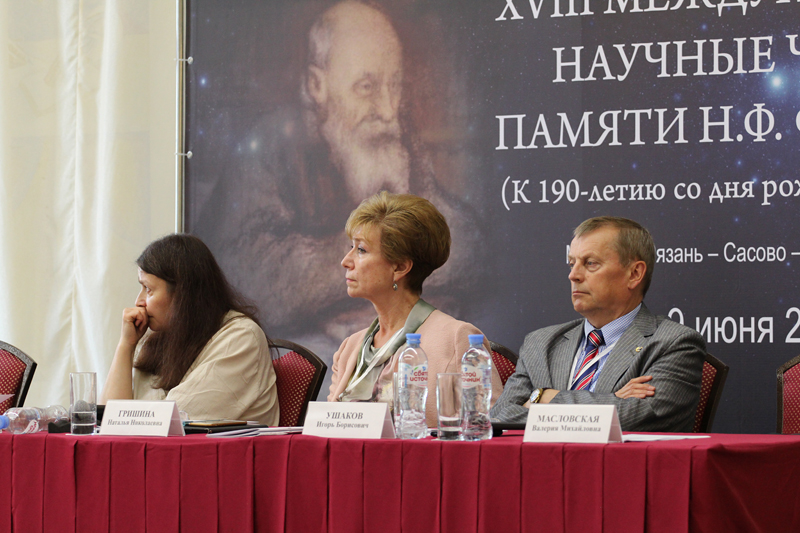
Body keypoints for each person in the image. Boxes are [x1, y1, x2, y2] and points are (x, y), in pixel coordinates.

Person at [192, 0, 485, 386]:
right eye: (367, 87)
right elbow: (254, 276)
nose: (387, 109)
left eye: (395, 86)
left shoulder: (395, 137)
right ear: (317, 85)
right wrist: (377, 255)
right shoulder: (269, 147)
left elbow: (467, 245)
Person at [490, 217, 706, 432]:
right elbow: (500, 417)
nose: (573, 275)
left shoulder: (674, 343)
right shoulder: (540, 344)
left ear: (634, 274)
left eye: (590, 263)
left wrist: (545, 397)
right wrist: (610, 401)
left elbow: (642, 417)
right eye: (572, 263)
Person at [328, 192, 502, 427]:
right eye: (352, 247)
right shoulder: (349, 348)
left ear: (400, 267)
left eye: (361, 250)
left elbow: (487, 428)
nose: (346, 261)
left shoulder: (456, 339)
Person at [99, 234, 280, 426]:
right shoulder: (161, 337)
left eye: (148, 289)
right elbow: (109, 421)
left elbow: (170, 422)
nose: (138, 301)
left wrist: (125, 417)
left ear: (182, 294)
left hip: (217, 447)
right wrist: (126, 345)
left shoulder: (241, 337)